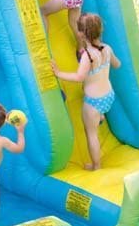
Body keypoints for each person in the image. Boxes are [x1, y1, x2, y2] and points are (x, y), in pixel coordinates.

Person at [51, 13, 122, 171]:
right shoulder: (107, 49)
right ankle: (101, 115)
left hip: (93, 102)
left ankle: (96, 166)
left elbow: (79, 77)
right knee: (98, 113)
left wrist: (58, 73)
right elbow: (117, 64)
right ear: (100, 30)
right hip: (108, 96)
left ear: (82, 33)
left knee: (91, 134)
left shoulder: (88, 56)